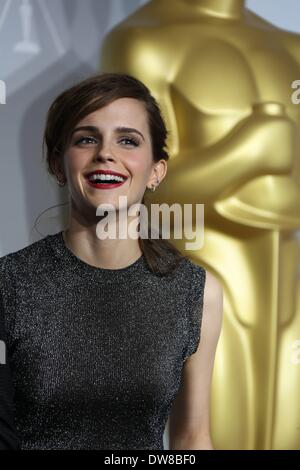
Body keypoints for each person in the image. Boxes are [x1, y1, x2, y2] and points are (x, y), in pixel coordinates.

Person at [0, 72, 223, 450]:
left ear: (156, 171)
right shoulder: (10, 283)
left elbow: (192, 437)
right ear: (58, 165)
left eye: (128, 140)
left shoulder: (197, 293)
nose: (106, 153)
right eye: (86, 139)